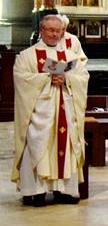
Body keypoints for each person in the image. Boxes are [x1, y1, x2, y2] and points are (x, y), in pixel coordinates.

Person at [12, 15, 90, 207]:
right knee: (38, 146)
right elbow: (21, 78)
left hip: (66, 111)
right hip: (39, 113)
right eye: (50, 30)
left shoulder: (71, 56)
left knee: (65, 146)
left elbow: (83, 77)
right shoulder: (27, 55)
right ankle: (36, 191)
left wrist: (67, 79)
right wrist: (46, 78)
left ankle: (63, 190)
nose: (54, 34)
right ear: (42, 31)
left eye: (58, 30)